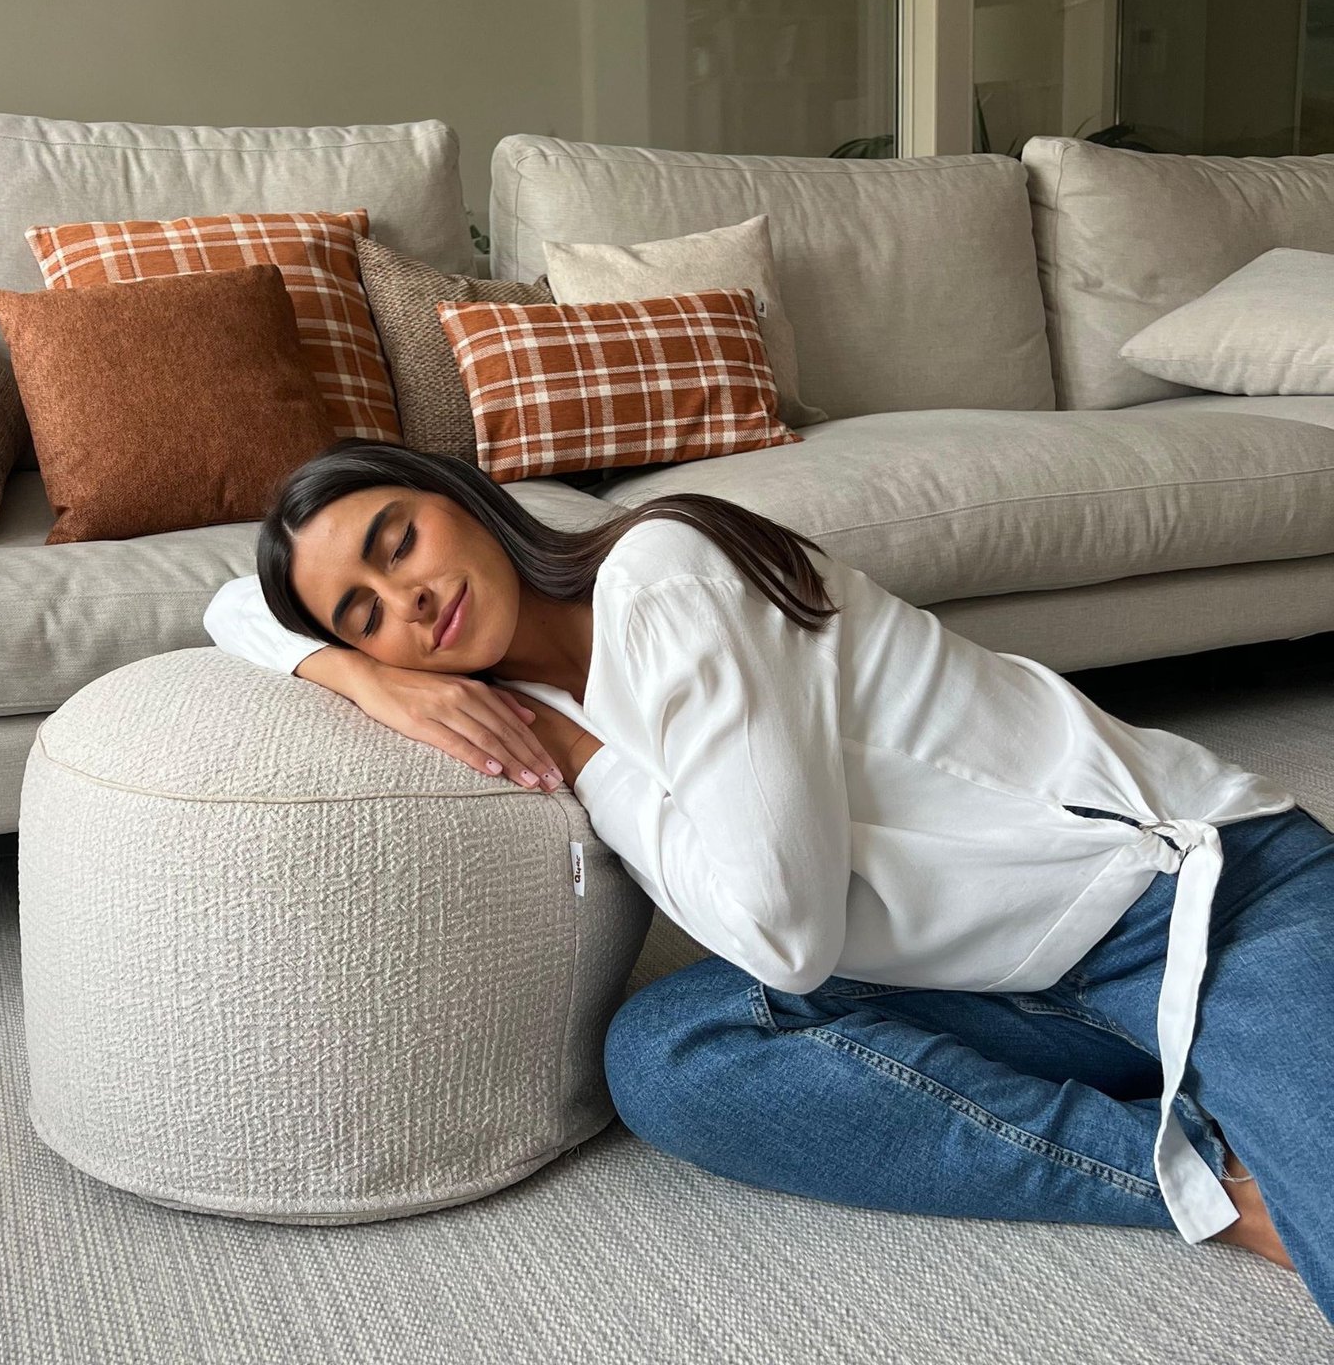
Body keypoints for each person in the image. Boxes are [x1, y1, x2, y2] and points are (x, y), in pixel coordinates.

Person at [206, 438, 1331, 1321]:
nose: (404, 599)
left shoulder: (662, 576)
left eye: (398, 542)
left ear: (463, 497)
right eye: (364, 611)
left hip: (1209, 901)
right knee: (671, 1051)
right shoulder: (511, 683)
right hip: (1005, 980)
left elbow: (785, 940)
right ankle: (1206, 1177)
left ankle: (1238, 1099)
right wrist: (351, 673)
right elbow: (228, 601)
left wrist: (584, 760)